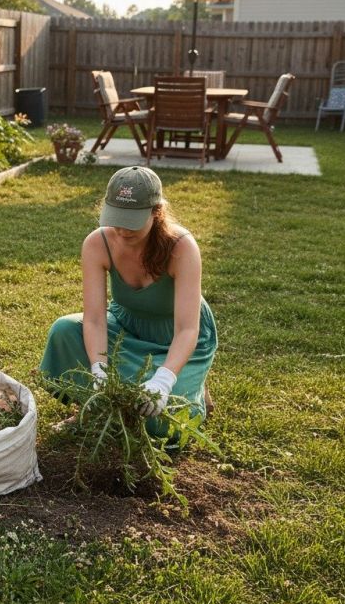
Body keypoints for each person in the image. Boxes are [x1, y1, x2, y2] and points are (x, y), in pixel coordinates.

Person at [40, 166, 216, 428]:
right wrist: (98, 369)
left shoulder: (181, 247)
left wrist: (163, 380)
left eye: (131, 220)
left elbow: (187, 329)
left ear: (157, 212)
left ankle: (191, 385)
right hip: (126, 328)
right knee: (64, 330)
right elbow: (96, 320)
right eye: (116, 217)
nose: (122, 229)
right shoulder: (97, 243)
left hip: (175, 337)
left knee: (160, 424)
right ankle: (95, 409)